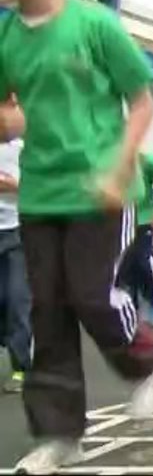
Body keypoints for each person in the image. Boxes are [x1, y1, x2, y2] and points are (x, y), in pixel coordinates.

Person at [0, 0, 153, 474]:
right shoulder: (5, 35)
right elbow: (11, 111)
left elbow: (143, 101)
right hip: (39, 196)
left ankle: (148, 360)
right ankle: (60, 435)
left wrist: (122, 165)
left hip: (102, 192)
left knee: (92, 297)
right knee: (46, 314)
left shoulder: (95, 25)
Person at [121, 152, 153, 326]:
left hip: (145, 220)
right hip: (123, 222)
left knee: (143, 260)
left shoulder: (147, 160)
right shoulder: (111, 160)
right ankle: (132, 307)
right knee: (125, 267)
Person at [0, 120, 30, 395]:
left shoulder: (22, 150)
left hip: (17, 233)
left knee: (16, 299)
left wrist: (13, 185)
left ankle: (21, 367)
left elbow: (38, 188)